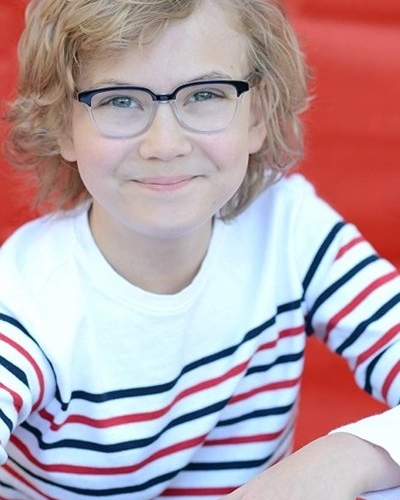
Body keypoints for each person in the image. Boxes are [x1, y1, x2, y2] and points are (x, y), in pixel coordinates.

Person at [0, 0, 399, 499]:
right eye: (119, 101)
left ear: (257, 114)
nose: (164, 144)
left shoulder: (288, 229)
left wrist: (347, 455)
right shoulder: (24, 306)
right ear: (63, 126)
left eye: (205, 94)